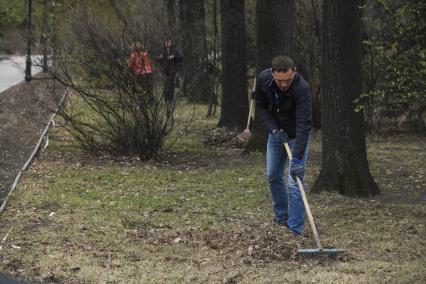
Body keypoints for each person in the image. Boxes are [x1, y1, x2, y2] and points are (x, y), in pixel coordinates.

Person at [254, 55, 312, 235]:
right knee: (273, 175)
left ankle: (295, 230)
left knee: (295, 182)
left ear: (294, 72)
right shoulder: (263, 80)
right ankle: (281, 218)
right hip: (276, 133)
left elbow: (304, 125)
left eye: (287, 80)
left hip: (297, 135)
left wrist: (297, 159)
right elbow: (261, 108)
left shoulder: (302, 89)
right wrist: (273, 130)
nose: (284, 84)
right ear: (272, 74)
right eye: (280, 81)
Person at [128, 41, 154, 105]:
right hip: (144, 72)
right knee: (146, 88)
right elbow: (130, 65)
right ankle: (147, 102)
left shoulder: (141, 53)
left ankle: (146, 102)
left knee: (145, 88)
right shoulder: (141, 53)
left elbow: (130, 65)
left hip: (144, 72)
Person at [157, 39, 182, 103]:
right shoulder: (162, 50)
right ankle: (166, 98)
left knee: (171, 84)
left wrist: (174, 57)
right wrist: (160, 58)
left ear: (171, 42)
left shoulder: (174, 50)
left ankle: (171, 98)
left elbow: (180, 57)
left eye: (169, 42)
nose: (167, 43)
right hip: (164, 70)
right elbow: (157, 58)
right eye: (166, 42)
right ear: (164, 43)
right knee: (165, 84)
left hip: (172, 70)